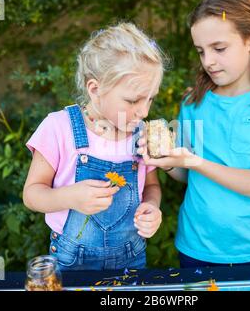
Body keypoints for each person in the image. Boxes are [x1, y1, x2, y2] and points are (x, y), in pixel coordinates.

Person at [140, 0, 250, 268]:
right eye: (201, 51)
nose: (208, 61)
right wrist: (166, 161)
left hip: (248, 250)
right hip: (193, 245)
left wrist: (195, 161)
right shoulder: (193, 101)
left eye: (219, 48)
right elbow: (185, 173)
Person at [23, 22, 167, 271]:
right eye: (133, 100)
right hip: (72, 259)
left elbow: (152, 186)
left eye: (151, 98)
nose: (144, 111)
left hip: (130, 255)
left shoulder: (141, 134)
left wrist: (152, 207)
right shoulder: (59, 127)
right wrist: (69, 196)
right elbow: (32, 195)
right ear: (95, 89)